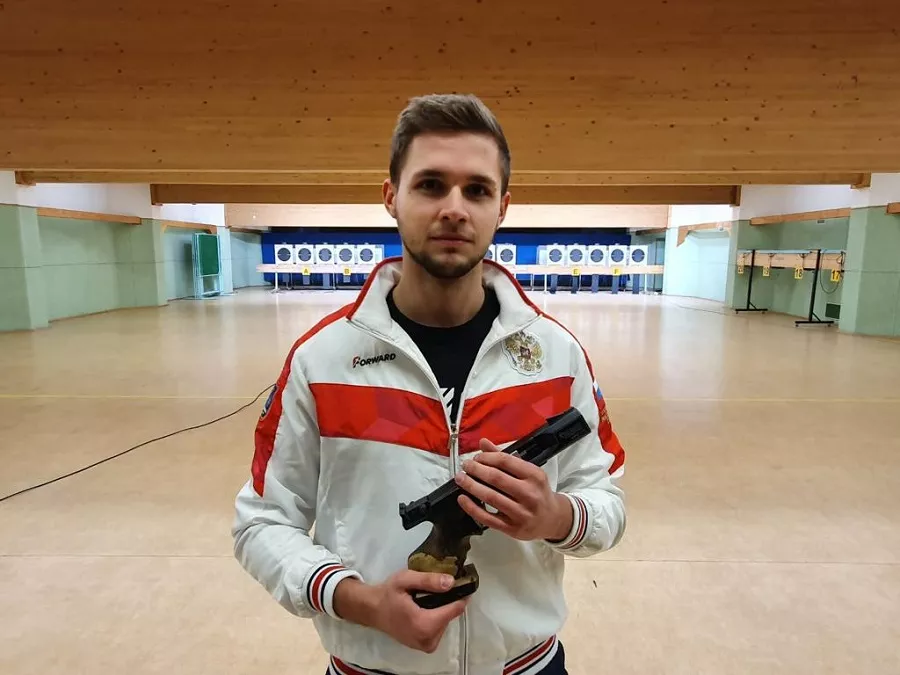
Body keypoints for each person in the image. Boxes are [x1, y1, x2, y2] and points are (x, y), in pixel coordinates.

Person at [232, 93, 627, 675]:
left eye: (477, 190)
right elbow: (262, 522)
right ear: (391, 196)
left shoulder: (558, 356)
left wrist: (557, 517)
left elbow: (608, 501)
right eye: (431, 185)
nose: (454, 209)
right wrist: (361, 602)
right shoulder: (321, 360)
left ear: (502, 207)